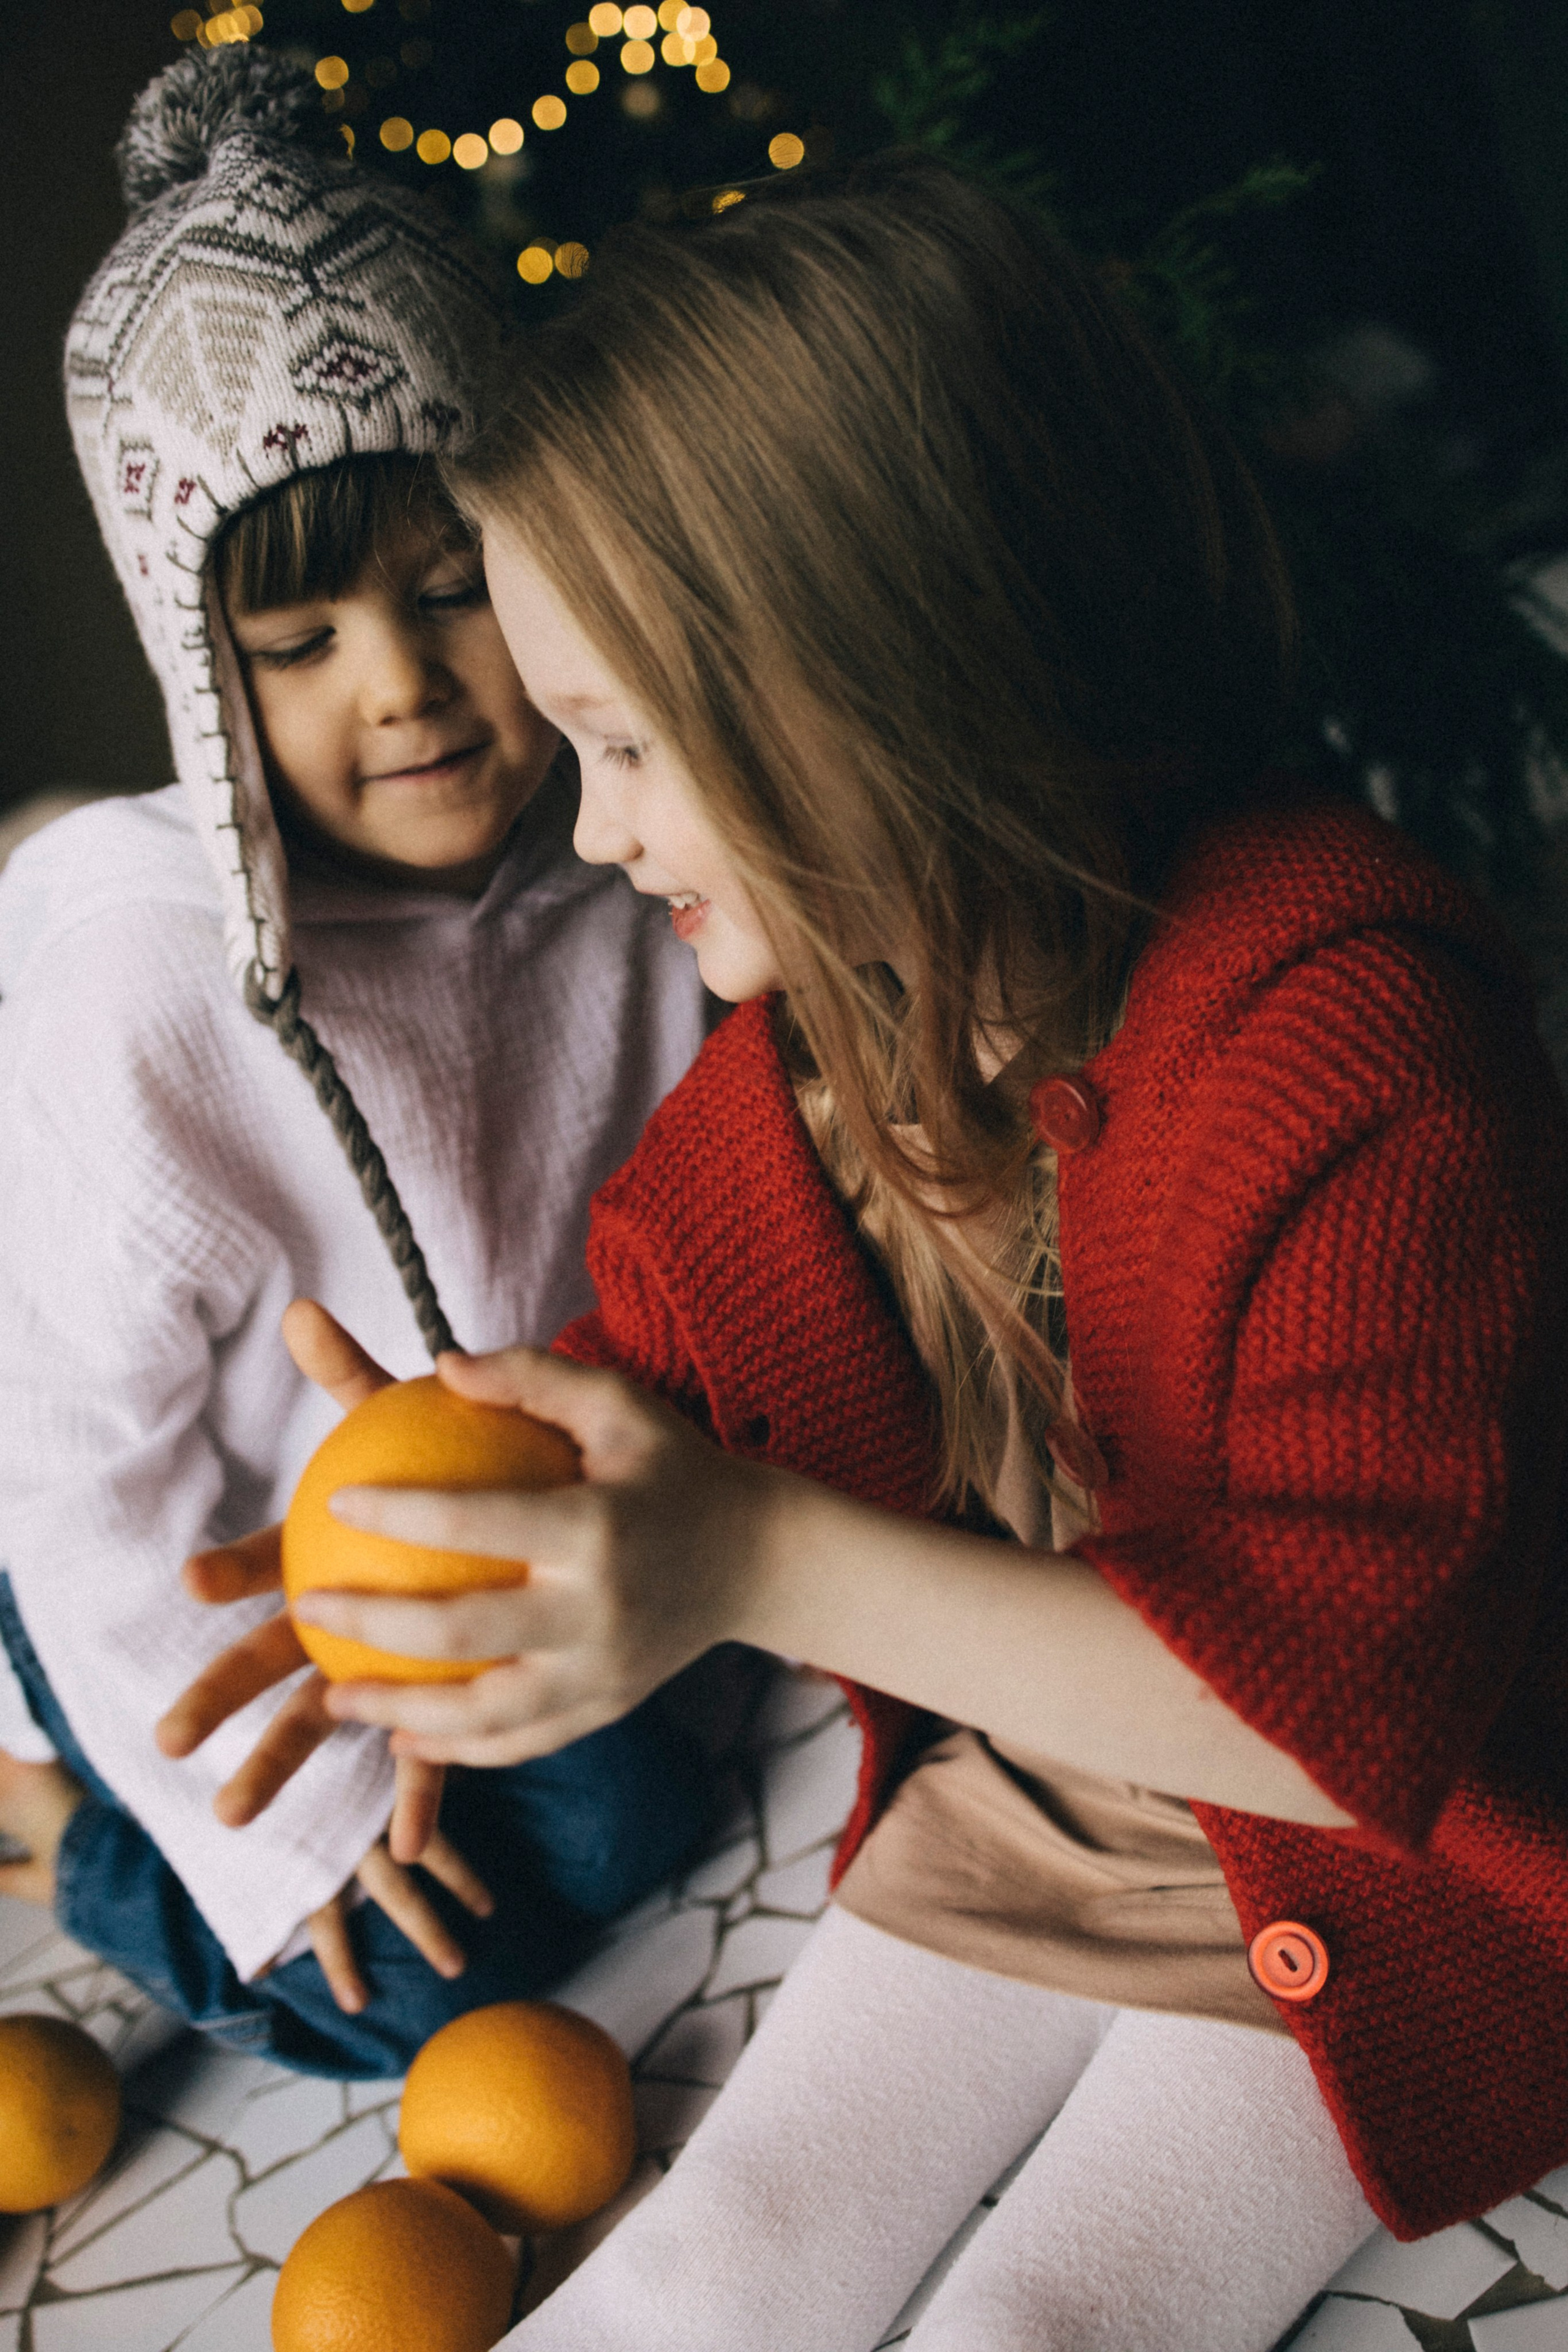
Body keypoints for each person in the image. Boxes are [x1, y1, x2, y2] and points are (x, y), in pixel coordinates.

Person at [167, 155, 1568, 2346]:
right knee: (704, 2272)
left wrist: (749, 1563)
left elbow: (1347, 1719)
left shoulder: (1353, 1027)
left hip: (1404, 1865)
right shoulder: (816, 1072)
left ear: (888, 684)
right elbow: (654, 1383)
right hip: (1034, 1818)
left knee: (1033, 2328)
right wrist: (442, 1561)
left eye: (628, 745)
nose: (596, 826)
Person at [0, 48, 714, 2078]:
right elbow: (73, 1464)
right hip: (169, 1527)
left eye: (448, 591)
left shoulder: (625, 860)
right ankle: (54, 1820)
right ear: (198, 669)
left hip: (452, 1531)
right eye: (297, 647)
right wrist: (298, 1833)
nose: (399, 689)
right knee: (396, 1977)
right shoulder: (149, 989)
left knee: (644, 1810)